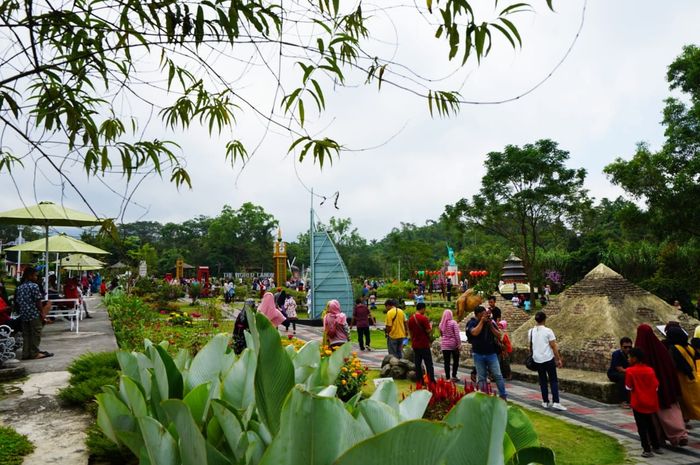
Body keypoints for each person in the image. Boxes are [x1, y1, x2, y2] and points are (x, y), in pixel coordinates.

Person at [634, 324, 688, 446]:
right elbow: (670, 368)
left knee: (652, 415)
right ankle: (679, 435)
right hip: (665, 386)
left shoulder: (640, 352)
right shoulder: (661, 349)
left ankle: (656, 438)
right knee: (670, 411)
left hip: (649, 389)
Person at [625, 347, 664, 458]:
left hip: (638, 402)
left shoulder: (630, 371)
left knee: (641, 427)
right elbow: (656, 386)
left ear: (635, 358)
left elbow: (628, 387)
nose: (628, 359)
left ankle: (646, 449)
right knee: (651, 425)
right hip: (650, 402)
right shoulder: (650, 370)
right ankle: (656, 446)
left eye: (629, 357)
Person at [467, 306, 507, 399]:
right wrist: (481, 321)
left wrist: (490, 325)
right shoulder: (472, 322)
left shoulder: (490, 322)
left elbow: (499, 335)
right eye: (483, 314)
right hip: (478, 354)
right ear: (478, 314)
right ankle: (484, 397)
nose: (485, 315)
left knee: (497, 375)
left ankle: (503, 396)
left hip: (491, 354)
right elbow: (474, 332)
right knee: (482, 377)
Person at [528, 311, 566, 411]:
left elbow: (532, 345)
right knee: (553, 380)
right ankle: (556, 402)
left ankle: (545, 401)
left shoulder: (531, 331)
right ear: (544, 319)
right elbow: (553, 346)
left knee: (543, 381)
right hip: (548, 359)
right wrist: (558, 359)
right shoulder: (548, 331)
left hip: (537, 359)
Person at [16, 267, 52, 360]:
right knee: (36, 333)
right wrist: (42, 313)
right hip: (33, 313)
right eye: (35, 275)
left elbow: (18, 302)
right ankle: (34, 353)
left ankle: (26, 353)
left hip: (24, 314)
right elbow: (38, 301)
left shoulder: (20, 287)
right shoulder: (34, 286)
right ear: (29, 275)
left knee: (26, 334)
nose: (36, 277)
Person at [666, 325, 700, 420]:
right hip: (693, 377)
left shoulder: (674, 348)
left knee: (688, 402)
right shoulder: (689, 347)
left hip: (683, 379)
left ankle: (685, 418)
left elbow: (677, 365)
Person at [408, 302, 435, 383]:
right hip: (424, 344)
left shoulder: (411, 319)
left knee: (417, 363)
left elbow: (410, 332)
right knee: (428, 364)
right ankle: (431, 380)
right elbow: (428, 331)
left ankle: (420, 380)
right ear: (423, 308)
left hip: (415, 344)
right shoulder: (423, 318)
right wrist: (431, 326)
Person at [607, 337, 632, 407]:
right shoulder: (616, 354)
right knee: (623, 377)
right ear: (621, 347)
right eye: (625, 347)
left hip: (627, 372)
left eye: (629, 347)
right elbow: (619, 369)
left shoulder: (631, 354)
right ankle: (623, 400)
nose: (628, 349)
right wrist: (633, 371)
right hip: (614, 373)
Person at [439, 309, 461, 382]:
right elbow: (457, 334)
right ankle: (454, 375)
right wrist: (459, 343)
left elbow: (441, 335)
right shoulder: (453, 323)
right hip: (453, 345)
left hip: (444, 345)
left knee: (446, 362)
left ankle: (448, 378)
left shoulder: (441, 324)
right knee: (456, 360)